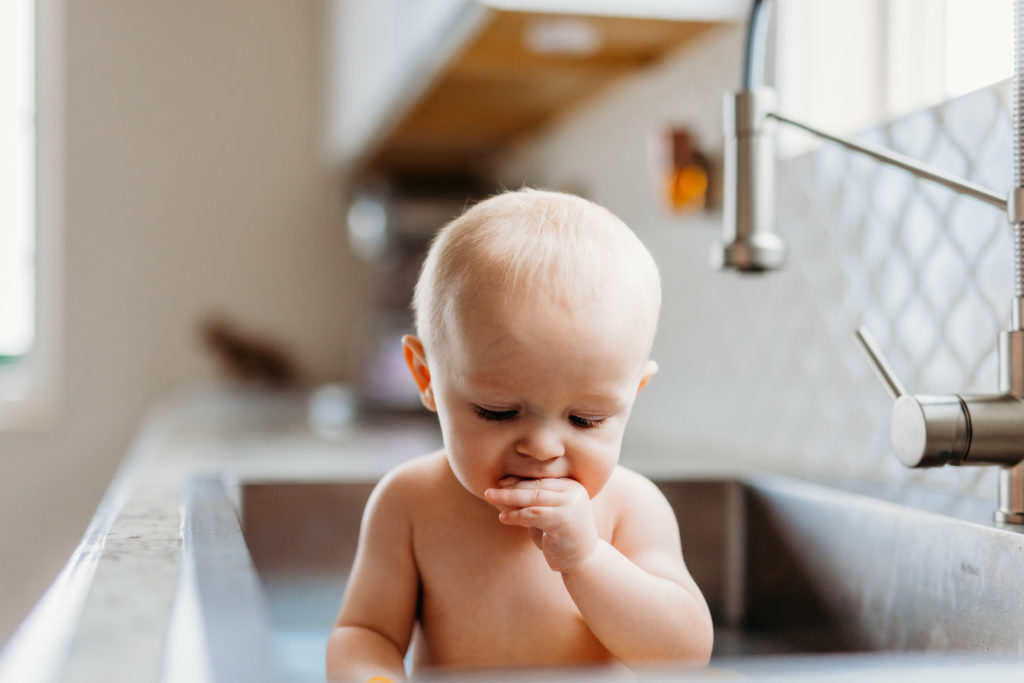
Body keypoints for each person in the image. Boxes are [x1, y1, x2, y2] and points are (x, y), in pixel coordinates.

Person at [326, 188, 713, 681]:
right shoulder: (409, 503)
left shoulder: (630, 508)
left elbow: (684, 653)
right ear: (425, 378)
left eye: (586, 419)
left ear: (634, 393)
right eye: (498, 412)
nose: (544, 448)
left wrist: (588, 559)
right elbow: (364, 633)